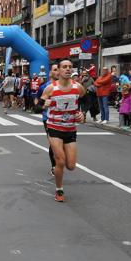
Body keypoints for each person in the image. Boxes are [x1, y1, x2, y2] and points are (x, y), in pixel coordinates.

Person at [41, 59, 86, 202]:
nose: (67, 69)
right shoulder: (50, 88)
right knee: (60, 161)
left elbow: (85, 100)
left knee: (71, 166)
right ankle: (59, 189)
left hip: (70, 129)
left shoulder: (77, 87)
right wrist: (44, 104)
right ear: (59, 70)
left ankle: (59, 168)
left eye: (70, 67)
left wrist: (81, 113)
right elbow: (39, 103)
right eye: (64, 67)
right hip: (54, 127)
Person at [35, 66, 57, 176]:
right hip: (48, 119)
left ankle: (60, 161)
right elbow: (37, 105)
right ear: (50, 73)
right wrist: (43, 106)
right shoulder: (44, 87)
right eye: (55, 69)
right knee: (53, 144)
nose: (57, 71)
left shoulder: (67, 86)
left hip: (63, 120)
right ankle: (54, 166)